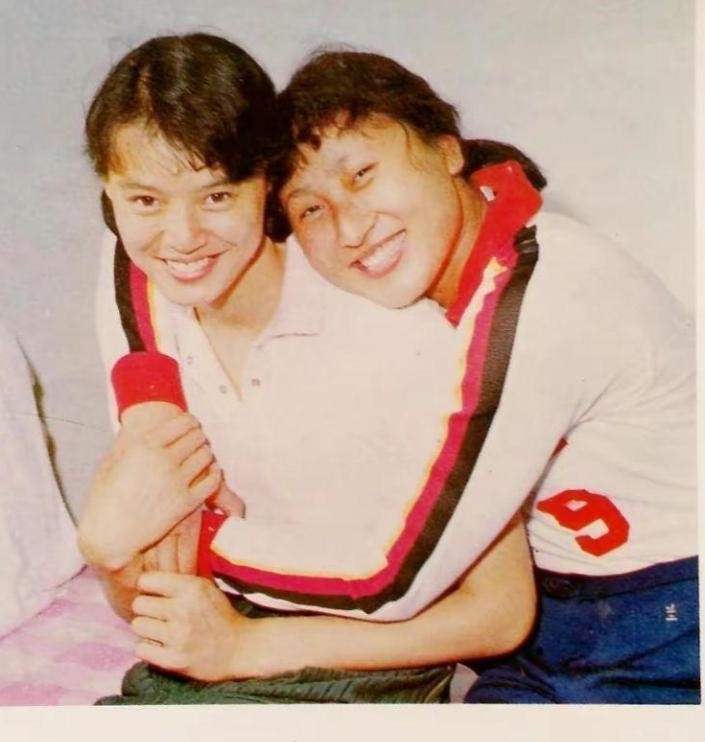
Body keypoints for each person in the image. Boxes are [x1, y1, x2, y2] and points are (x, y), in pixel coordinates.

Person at [77, 34, 535, 704]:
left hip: (368, 663)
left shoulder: (388, 324)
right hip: (218, 654)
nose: (181, 238)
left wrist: (243, 646)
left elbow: (501, 612)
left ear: (266, 184)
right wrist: (110, 554)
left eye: (216, 196)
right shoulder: (140, 303)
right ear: (111, 198)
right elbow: (154, 597)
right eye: (145, 201)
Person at [259, 50, 697, 704]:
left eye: (362, 174)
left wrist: (236, 622)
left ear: (446, 150)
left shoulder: (541, 294)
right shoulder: (440, 295)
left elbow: (394, 575)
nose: (349, 227)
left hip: (672, 620)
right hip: (561, 620)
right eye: (311, 210)